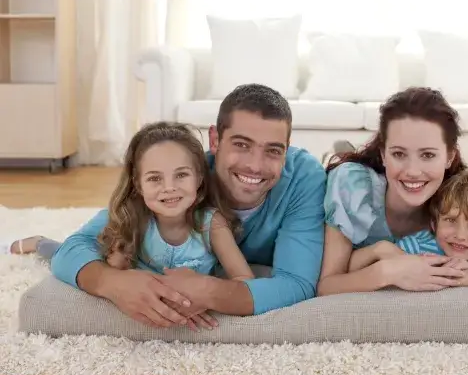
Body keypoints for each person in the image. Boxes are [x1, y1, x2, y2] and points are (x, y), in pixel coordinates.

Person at [5, 83, 327, 329]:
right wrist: (112, 283)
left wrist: (210, 292)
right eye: (241, 145)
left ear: (287, 148)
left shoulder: (302, 178)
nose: (256, 166)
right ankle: (36, 242)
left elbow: (297, 283)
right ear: (215, 140)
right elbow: (78, 246)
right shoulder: (177, 179)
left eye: (273, 150)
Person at [317, 86, 468, 296]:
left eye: (428, 155)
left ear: (449, 157)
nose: (413, 171)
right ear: (382, 154)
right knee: (338, 161)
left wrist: (467, 273)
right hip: (360, 175)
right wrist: (387, 269)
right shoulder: (353, 187)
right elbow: (327, 285)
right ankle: (340, 152)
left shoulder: (455, 197)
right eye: (398, 153)